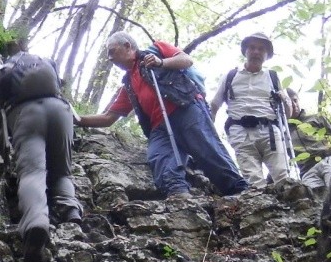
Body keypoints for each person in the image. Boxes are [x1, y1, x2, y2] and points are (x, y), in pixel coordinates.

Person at [75, 31, 247, 199]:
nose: (110, 58)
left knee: (207, 149)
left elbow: (186, 60)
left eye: (112, 51)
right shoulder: (128, 84)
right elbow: (108, 118)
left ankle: (238, 190)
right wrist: (77, 120)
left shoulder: (157, 49)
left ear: (127, 46)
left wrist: (161, 62)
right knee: (159, 157)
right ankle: (179, 195)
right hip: (159, 127)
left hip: (185, 107)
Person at [0, 48, 82, 262]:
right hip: (61, 111)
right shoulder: (45, 70)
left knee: (33, 173)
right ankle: (70, 212)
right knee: (62, 171)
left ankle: (36, 223)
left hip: (26, 115)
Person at [210, 32, 292, 188]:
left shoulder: (273, 76)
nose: (256, 52)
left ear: (267, 55)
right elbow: (215, 104)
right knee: (253, 178)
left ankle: (290, 207)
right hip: (240, 131)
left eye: (261, 49)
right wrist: (209, 130)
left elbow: (287, 114)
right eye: (252, 47)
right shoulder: (231, 75)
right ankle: (264, 209)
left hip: (270, 131)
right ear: (245, 51)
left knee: (282, 175)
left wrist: (285, 98)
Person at [286, 88, 331, 189]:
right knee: (317, 202)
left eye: (295, 100)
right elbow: (280, 161)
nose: (294, 105)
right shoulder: (284, 134)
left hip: (328, 159)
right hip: (307, 171)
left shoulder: (316, 118)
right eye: (289, 102)